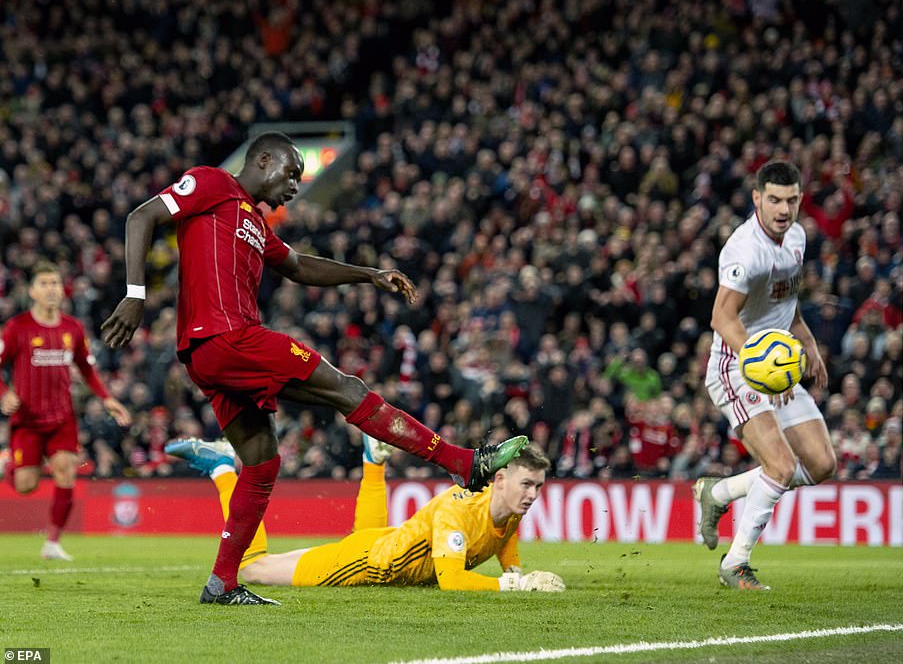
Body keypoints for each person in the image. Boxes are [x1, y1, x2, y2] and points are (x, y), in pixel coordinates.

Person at [100, 131, 528, 605]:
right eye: (290, 174)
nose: (294, 186)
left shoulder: (255, 223)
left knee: (263, 461)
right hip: (228, 338)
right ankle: (463, 463)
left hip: (214, 356)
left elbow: (300, 266)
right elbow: (142, 215)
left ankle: (222, 583)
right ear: (263, 160)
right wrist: (135, 296)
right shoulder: (211, 183)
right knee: (345, 388)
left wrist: (368, 275)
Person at [164, 435, 564, 595]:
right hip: (361, 565)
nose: (533, 495)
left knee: (376, 540)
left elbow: (504, 540)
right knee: (251, 568)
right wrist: (515, 586)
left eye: (539, 487)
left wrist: (513, 571)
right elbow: (452, 580)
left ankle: (374, 462)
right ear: (498, 479)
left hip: (384, 547)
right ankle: (220, 468)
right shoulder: (456, 512)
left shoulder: (509, 509)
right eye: (527, 485)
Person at [695, 161, 836, 590]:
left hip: (777, 360)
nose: (784, 208)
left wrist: (808, 343)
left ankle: (717, 494)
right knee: (779, 464)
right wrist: (759, 369)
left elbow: (785, 303)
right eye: (774, 199)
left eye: (792, 199)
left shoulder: (797, 237)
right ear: (757, 198)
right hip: (736, 365)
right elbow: (722, 316)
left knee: (821, 463)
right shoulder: (744, 250)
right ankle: (734, 564)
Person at [1, 261, 132, 560]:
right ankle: (7, 464)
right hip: (28, 421)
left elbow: (86, 368)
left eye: (55, 283)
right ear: (32, 291)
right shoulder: (17, 328)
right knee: (25, 486)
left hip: (62, 418)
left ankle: (52, 542)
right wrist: (5, 393)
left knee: (66, 471)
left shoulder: (72, 328)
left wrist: (106, 398)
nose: (51, 289)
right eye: (44, 283)